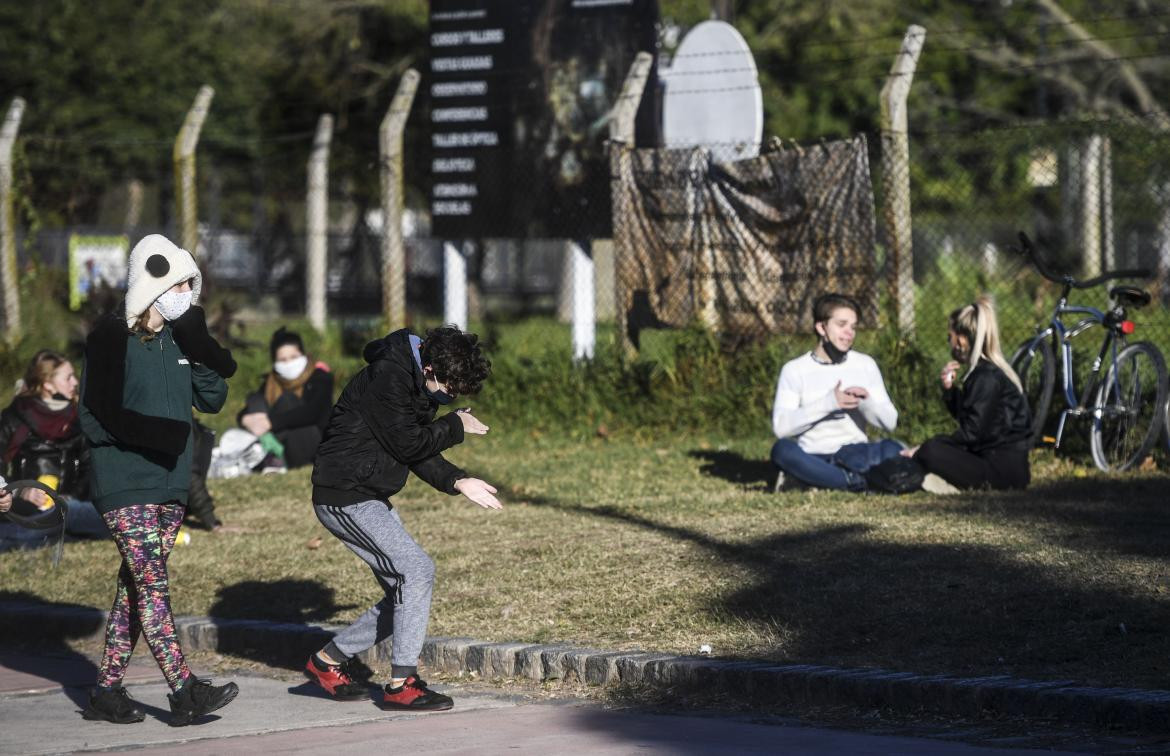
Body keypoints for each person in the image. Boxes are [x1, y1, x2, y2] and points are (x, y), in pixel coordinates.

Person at [78, 234, 240, 726]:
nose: (189, 295)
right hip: (125, 481)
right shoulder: (112, 336)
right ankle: (184, 690)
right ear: (156, 286)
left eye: (193, 288)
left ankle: (106, 692)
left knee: (136, 587)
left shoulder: (178, 339)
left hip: (170, 483)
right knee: (152, 583)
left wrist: (199, 340)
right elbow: (92, 417)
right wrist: (153, 435)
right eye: (182, 286)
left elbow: (213, 399)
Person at [305, 325, 499, 711]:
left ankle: (326, 662)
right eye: (448, 387)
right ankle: (401, 685)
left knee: (405, 590)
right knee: (417, 571)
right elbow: (410, 442)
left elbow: (414, 447)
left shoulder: (414, 379)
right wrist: (455, 426)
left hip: (366, 493)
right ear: (429, 367)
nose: (450, 397)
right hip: (346, 494)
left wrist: (457, 480)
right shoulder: (389, 377)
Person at [771, 293, 902, 491]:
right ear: (821, 327)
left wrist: (866, 402)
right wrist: (829, 403)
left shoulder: (865, 364)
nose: (849, 332)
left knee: (894, 448)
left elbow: (890, 422)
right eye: (842, 325)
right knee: (781, 451)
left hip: (856, 454)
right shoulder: (795, 369)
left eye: (853, 327)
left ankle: (823, 480)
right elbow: (781, 427)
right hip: (814, 455)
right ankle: (858, 482)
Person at [903, 297, 1031, 491]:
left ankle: (943, 479)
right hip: (997, 461)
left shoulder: (986, 378)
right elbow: (972, 419)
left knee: (931, 450)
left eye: (950, 338)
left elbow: (972, 434)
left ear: (961, 340)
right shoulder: (985, 373)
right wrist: (950, 391)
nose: (949, 344)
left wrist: (923, 448)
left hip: (1001, 470)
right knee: (934, 448)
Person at [0, 350, 107, 550]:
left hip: (71, 506)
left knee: (89, 515)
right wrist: (21, 492)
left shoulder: (81, 419)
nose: (75, 382)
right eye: (68, 378)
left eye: (74, 376)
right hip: (26, 509)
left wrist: (71, 495)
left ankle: (43, 537)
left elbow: (90, 469)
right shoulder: (14, 419)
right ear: (48, 385)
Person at [238, 326, 333, 471]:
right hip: (285, 439)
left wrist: (271, 422)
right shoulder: (272, 381)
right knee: (255, 399)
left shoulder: (320, 377)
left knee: (287, 400)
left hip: (315, 442)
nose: (288, 363)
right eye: (283, 359)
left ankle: (271, 457)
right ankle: (270, 457)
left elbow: (312, 412)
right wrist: (246, 419)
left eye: (293, 357)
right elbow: (246, 411)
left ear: (303, 355)